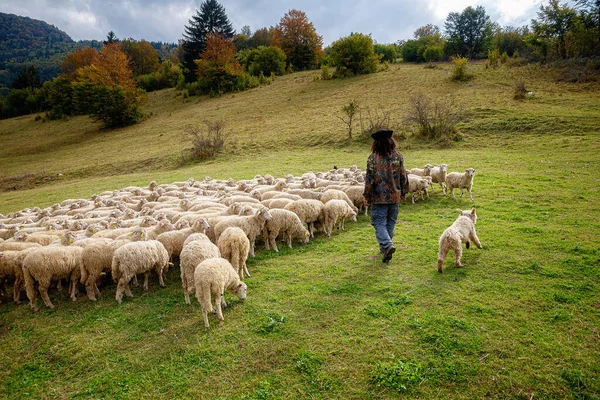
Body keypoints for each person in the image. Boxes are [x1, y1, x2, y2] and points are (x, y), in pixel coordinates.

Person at [363, 129, 408, 263]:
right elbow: (403, 175)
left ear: (376, 143)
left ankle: (387, 245)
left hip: (379, 197)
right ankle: (385, 248)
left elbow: (369, 179)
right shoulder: (398, 156)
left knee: (379, 223)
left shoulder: (372, 158)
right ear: (390, 141)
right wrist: (404, 191)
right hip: (395, 196)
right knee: (390, 222)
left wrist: (367, 196)